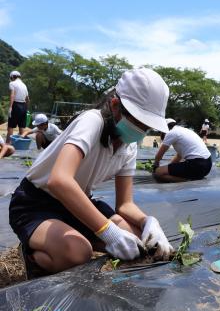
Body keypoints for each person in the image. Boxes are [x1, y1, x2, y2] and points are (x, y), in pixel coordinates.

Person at [9, 68, 173, 277]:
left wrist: (148, 222)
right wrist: (108, 232)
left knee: (140, 241)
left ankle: (81, 237)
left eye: (146, 126)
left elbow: (125, 204)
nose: (140, 131)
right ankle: (32, 256)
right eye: (136, 122)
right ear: (115, 106)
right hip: (35, 203)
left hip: (77, 202)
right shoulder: (92, 121)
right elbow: (59, 181)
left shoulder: (129, 147)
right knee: (78, 253)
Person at [6, 71, 30, 143]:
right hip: (24, 106)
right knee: (21, 127)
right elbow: (28, 99)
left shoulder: (12, 83)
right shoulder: (24, 85)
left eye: (11, 78)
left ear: (12, 76)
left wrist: (10, 107)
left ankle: (7, 144)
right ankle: (21, 144)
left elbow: (12, 95)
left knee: (10, 126)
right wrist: (26, 109)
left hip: (16, 105)